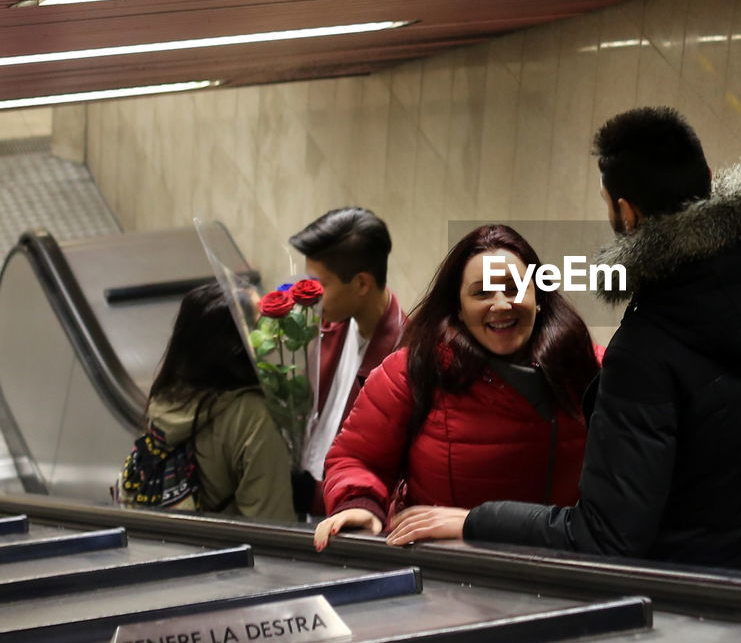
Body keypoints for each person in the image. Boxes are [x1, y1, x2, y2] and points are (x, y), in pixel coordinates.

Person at [386, 107, 741, 572]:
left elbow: (606, 537)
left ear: (626, 212)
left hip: (689, 599)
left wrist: (474, 521)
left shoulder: (645, 350)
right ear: (710, 179)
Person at [312, 224, 601, 549]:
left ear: (539, 298)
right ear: (458, 309)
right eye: (481, 293)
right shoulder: (412, 372)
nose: (502, 304)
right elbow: (356, 459)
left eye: (514, 288)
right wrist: (359, 504)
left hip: (561, 568)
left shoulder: (590, 370)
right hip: (445, 572)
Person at [288, 207, 406, 515]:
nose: (310, 295)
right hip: (300, 500)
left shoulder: (404, 358)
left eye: (321, 285)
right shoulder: (327, 324)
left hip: (345, 513)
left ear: (361, 284)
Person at [145, 282, 296, 521]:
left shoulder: (165, 395)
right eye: (260, 325)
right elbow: (270, 520)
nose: (271, 333)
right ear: (237, 345)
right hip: (234, 553)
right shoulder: (253, 417)